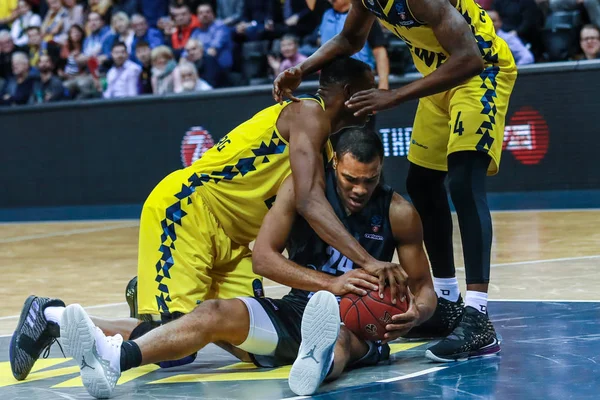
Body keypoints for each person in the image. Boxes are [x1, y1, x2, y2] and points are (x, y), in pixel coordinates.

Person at [10, 57, 406, 384]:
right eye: (370, 89)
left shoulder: (325, 146)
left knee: (252, 343)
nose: (376, 100)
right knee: (175, 348)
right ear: (350, 94)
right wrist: (368, 263)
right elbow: (308, 202)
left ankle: (148, 304)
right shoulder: (308, 115)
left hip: (232, 240)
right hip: (189, 211)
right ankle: (50, 317)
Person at [35, 128, 435, 399]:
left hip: (362, 326)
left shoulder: (398, 212)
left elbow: (425, 291)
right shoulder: (299, 191)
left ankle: (316, 363)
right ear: (333, 166)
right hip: (298, 310)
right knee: (211, 313)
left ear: (381, 170)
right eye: (351, 180)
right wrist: (329, 284)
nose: (360, 189)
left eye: (369, 179)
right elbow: (262, 258)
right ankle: (114, 360)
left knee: (341, 338)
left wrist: (415, 315)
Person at [273, 0, 517, 362]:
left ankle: (478, 316)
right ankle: (447, 303)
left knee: (463, 182)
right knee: (421, 184)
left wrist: (396, 95)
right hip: (439, 80)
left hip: (478, 74)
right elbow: (350, 38)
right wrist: (303, 68)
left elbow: (469, 58)